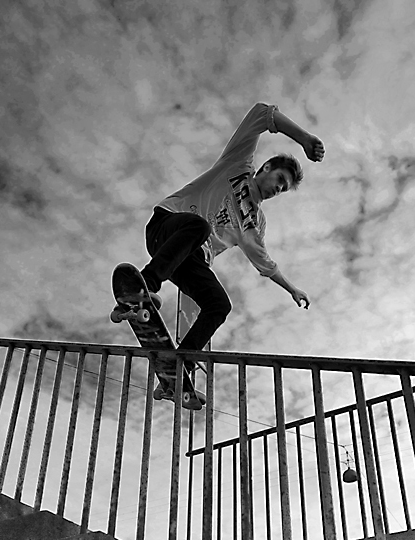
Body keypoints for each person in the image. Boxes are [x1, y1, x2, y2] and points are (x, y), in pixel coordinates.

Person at [111, 101, 325, 406]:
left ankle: (177, 367)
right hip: (168, 226)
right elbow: (262, 114)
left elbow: (265, 264)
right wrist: (304, 139)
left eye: (284, 189)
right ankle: (143, 287)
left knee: (219, 306)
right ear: (265, 168)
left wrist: (292, 289)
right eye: (279, 180)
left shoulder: (255, 224)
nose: (278, 189)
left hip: (188, 260)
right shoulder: (237, 165)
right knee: (199, 227)